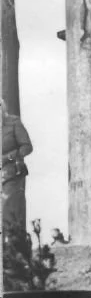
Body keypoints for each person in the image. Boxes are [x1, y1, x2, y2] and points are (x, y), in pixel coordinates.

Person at [1, 98, 33, 233]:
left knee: (9, 211)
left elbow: (27, 147)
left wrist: (9, 157)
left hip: (12, 174)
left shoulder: (13, 122)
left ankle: (13, 245)